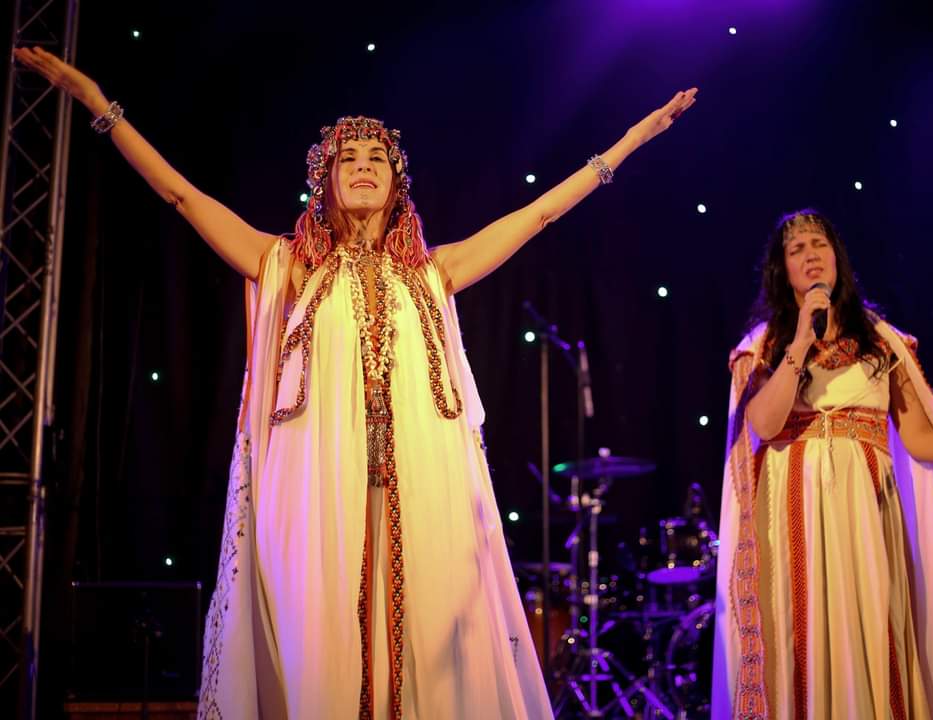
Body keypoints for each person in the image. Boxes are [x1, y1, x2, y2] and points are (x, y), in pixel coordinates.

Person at [13, 45, 697, 719]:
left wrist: (630, 141)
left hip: (422, 487)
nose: (364, 167)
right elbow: (180, 195)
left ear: (398, 183)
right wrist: (98, 104)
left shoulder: (434, 271)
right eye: (349, 159)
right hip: (318, 487)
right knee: (323, 647)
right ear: (326, 179)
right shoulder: (288, 265)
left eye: (377, 159)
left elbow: (539, 213)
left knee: (430, 648)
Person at [710, 209, 933, 719]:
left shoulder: (882, 341)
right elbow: (765, 424)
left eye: (819, 244)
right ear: (782, 269)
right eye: (796, 249)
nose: (810, 255)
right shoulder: (764, 346)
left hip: (865, 513)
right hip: (795, 518)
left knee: (868, 624)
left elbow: (919, 438)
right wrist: (800, 340)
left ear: (837, 258)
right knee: (801, 638)